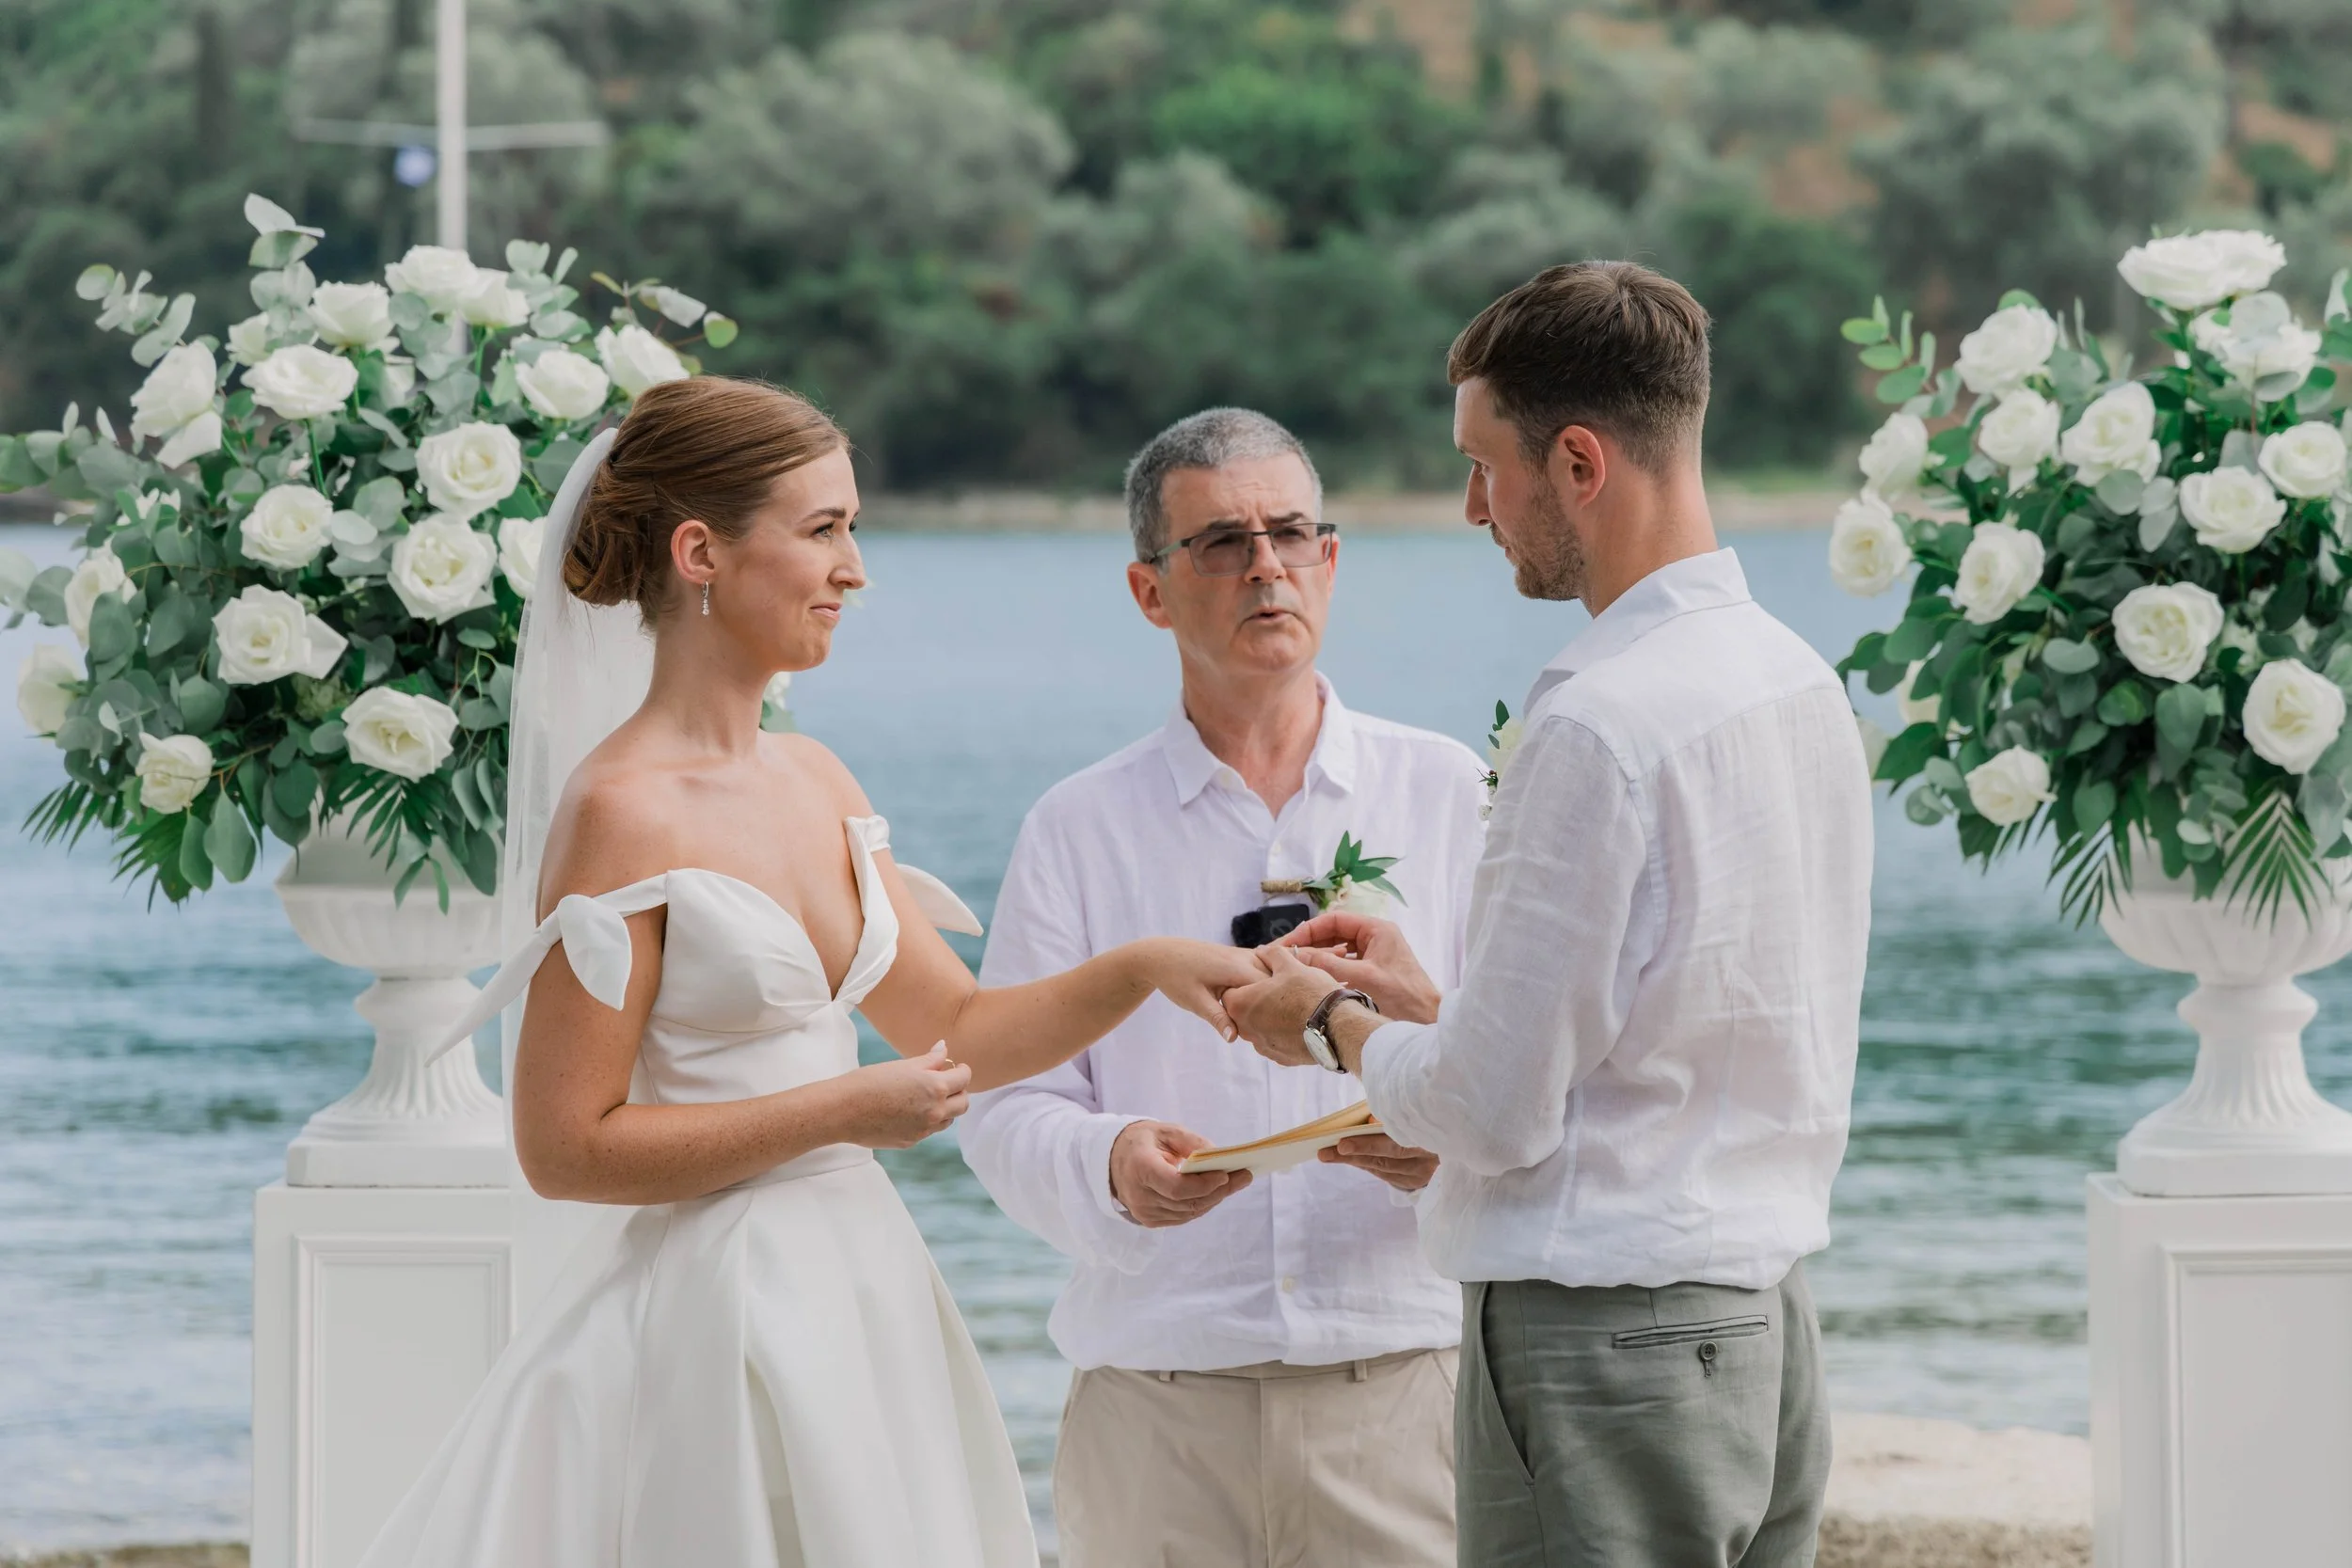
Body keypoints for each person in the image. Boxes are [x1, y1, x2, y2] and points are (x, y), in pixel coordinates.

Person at [355, 377, 1268, 1568]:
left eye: (853, 529)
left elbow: (957, 1023)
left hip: (861, 1293)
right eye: (824, 529)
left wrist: (1146, 965)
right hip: (713, 1317)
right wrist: (845, 1107)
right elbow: (563, 1146)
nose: (855, 568)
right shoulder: (619, 812)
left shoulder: (816, 776)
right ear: (701, 553)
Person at [1224, 262, 1875, 1568]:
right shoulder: (1796, 682)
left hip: (1603, 1342)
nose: (1473, 507)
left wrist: (1330, 1018)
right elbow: (1668, 1024)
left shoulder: (1597, 719)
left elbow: (1489, 1113)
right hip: (1763, 1328)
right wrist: (1431, 1011)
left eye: (1484, 466)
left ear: (1579, 460)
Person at [959, 408, 1488, 1568]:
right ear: (1151, 590)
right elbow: (1002, 1105)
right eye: (1221, 542)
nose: (1265, 566)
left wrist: (1447, 1145)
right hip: (1157, 1399)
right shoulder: (1077, 825)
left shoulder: (1450, 789)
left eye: (1291, 533)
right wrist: (1107, 1165)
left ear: (1331, 560)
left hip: (1400, 1383)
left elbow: (1528, 1072)